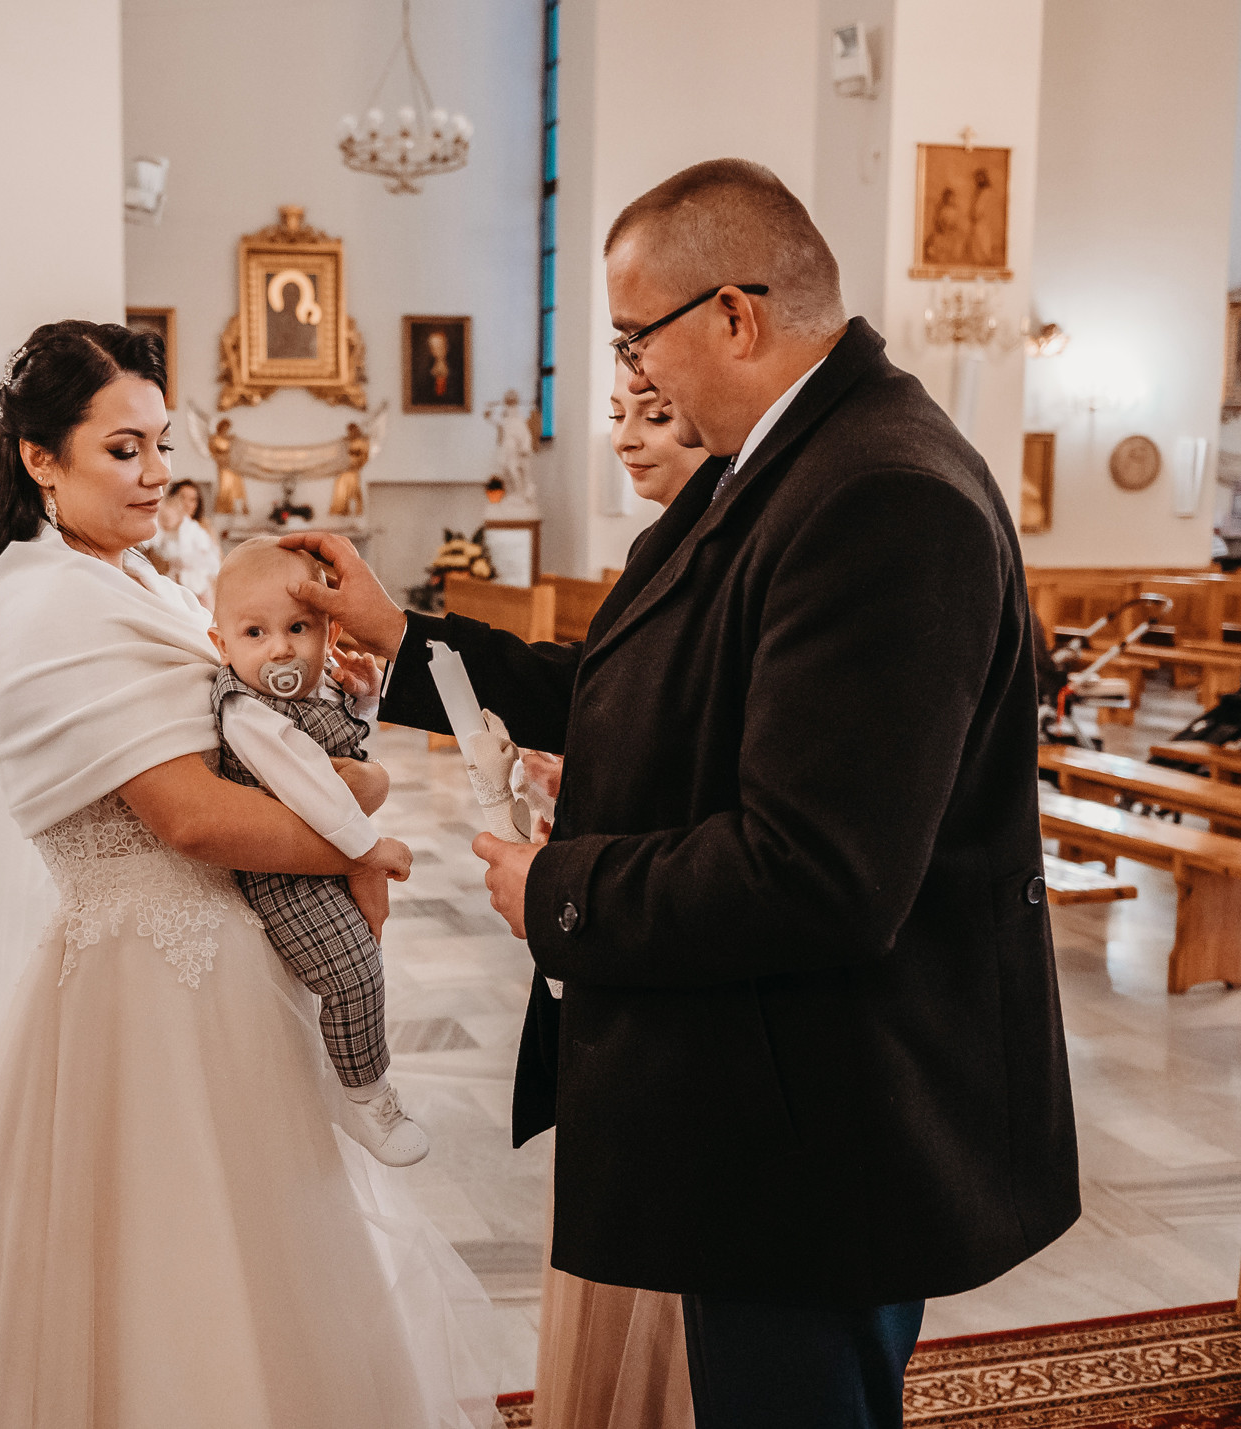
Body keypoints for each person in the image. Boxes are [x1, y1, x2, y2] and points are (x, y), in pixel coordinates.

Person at [284, 158, 1079, 1429]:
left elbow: (819, 871)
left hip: (828, 1114)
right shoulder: (771, 464)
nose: (632, 374)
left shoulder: (881, 495)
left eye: (632, 338)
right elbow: (629, 680)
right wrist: (401, 638)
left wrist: (560, 889)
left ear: (733, 315)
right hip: (767, 1088)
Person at [0, 320, 498, 1429]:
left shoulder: (114, 576)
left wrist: (340, 727)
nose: (154, 471)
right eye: (122, 448)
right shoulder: (54, 599)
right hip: (153, 986)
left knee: (247, 1264)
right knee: (178, 1280)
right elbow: (188, 815)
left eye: (161, 444)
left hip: (199, 966)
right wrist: (357, 840)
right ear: (40, 458)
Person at [527, 362, 705, 1429]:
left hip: (675, 926)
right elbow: (620, 708)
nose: (627, 438)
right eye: (618, 416)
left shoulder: (750, 535)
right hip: (636, 922)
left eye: (657, 415)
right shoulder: (656, 547)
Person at [207, 538, 429, 1166]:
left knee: (362, 959)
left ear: (329, 632)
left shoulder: (309, 691)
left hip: (321, 858)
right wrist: (369, 850)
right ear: (222, 644)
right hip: (284, 875)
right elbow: (314, 787)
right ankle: (365, 1099)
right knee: (351, 972)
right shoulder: (248, 711)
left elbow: (346, 747)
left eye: (298, 628)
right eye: (255, 633)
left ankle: (348, 1074)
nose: (280, 649)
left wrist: (364, 699)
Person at [151, 476, 220, 605]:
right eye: (182, 498)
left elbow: (214, 564)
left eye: (192, 500)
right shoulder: (161, 527)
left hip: (200, 590)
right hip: (170, 589)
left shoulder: (202, 529)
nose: (187, 504)